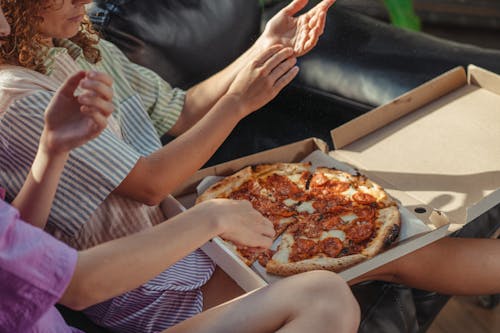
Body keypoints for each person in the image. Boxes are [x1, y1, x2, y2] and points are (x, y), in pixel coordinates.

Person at [0, 0, 498, 331]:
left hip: (192, 228)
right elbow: (150, 185)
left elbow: (183, 109)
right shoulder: (17, 99)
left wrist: (263, 49)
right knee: (384, 258)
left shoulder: (76, 45)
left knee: (395, 244)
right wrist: (238, 103)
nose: (84, 1)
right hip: (150, 275)